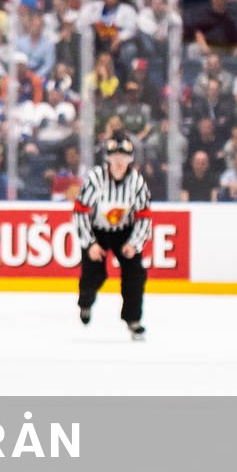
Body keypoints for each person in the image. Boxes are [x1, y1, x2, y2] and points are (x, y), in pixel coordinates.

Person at [74, 135, 152, 340]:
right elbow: (80, 212)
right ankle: (85, 303)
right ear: (108, 158)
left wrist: (134, 244)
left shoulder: (137, 182)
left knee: (135, 273)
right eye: (115, 156)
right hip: (97, 231)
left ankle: (133, 319)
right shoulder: (95, 179)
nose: (119, 162)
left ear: (130, 160)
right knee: (93, 274)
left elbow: (144, 216)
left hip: (124, 232)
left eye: (124, 157)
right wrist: (90, 243)